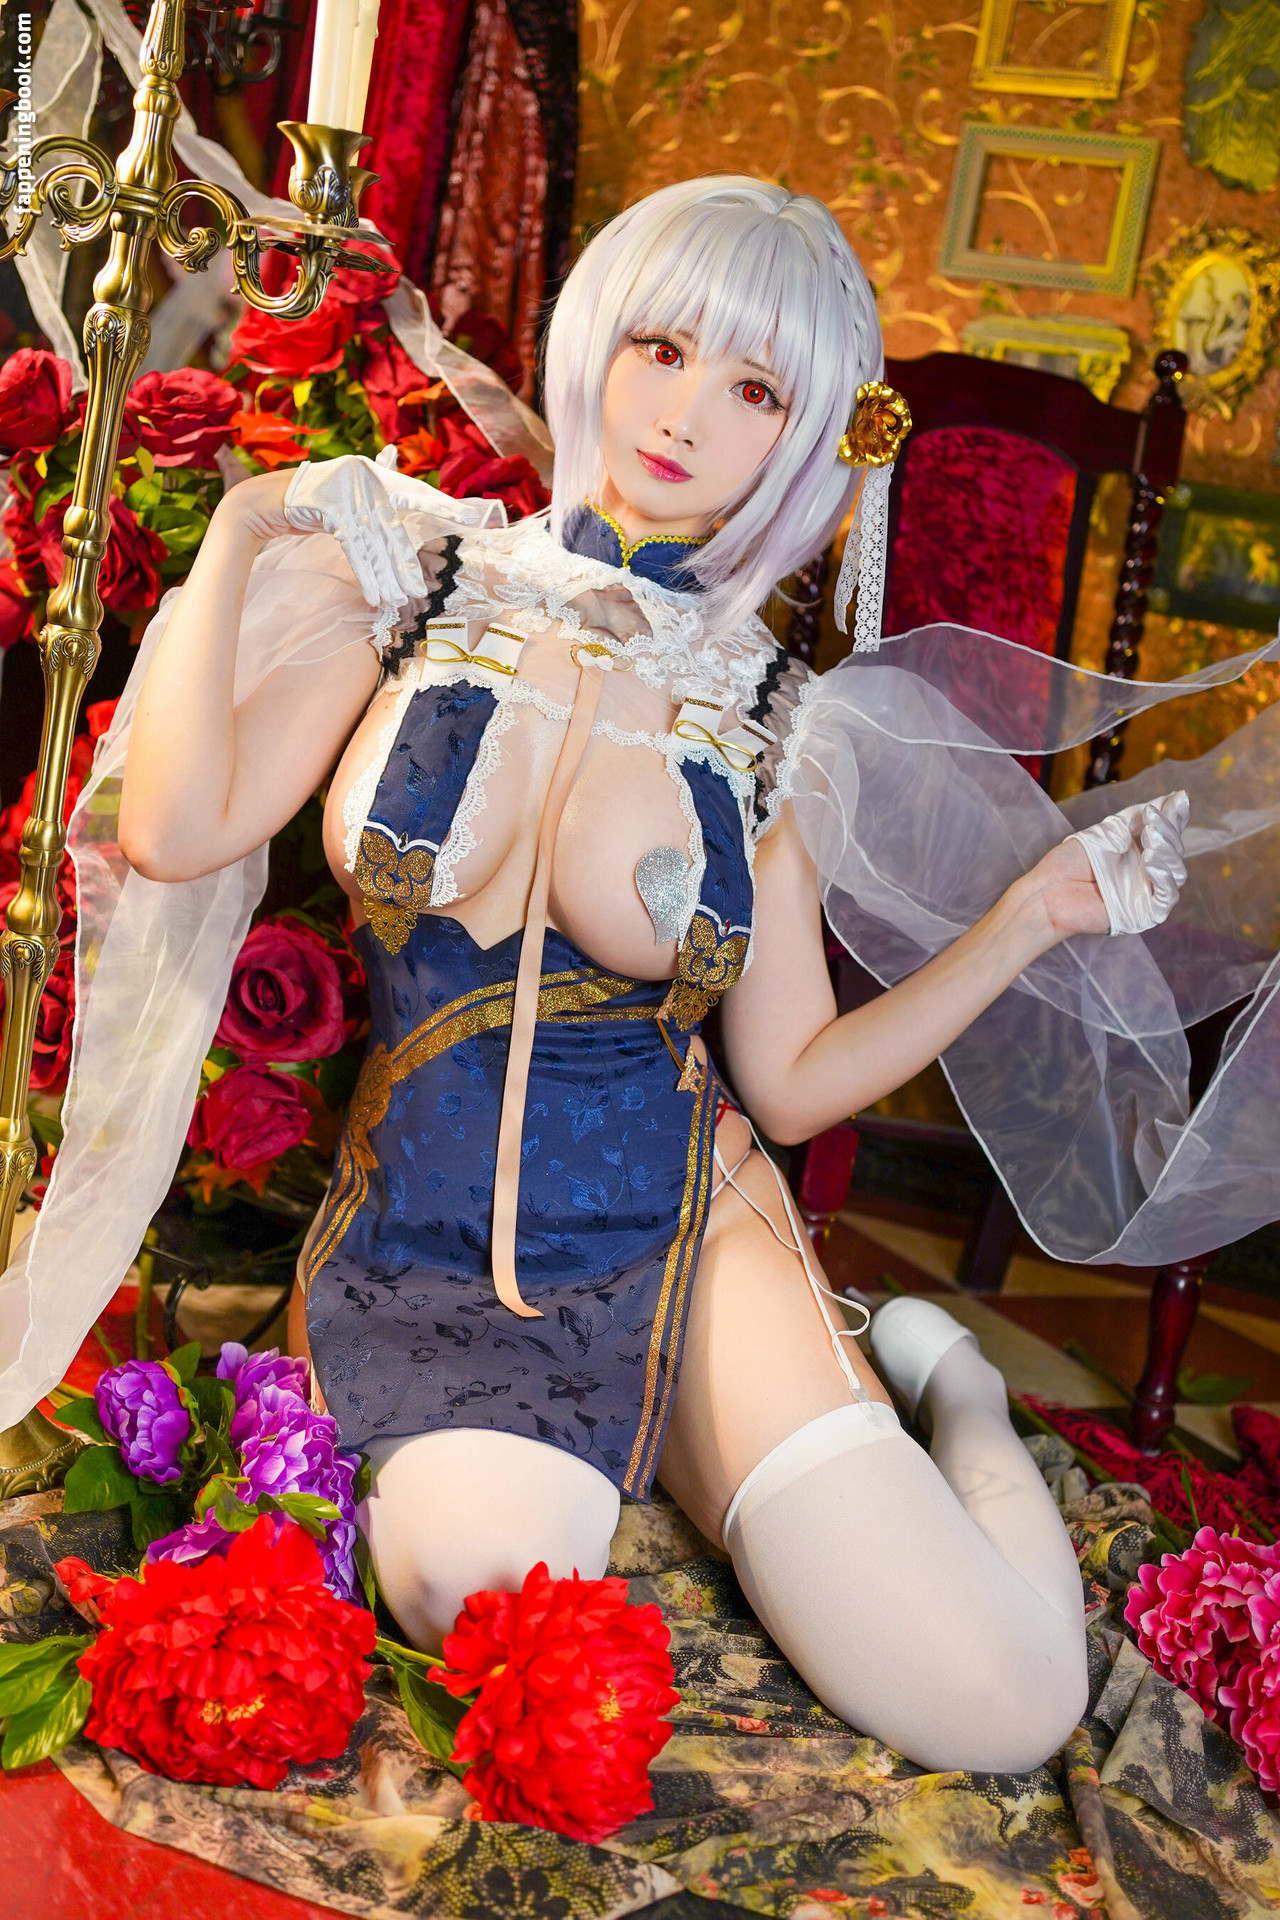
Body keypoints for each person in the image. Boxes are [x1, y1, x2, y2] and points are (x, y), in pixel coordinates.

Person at [11, 178, 1280, 1774]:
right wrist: (251, 528)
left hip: (684, 1220)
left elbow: (794, 1083)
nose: (685, 415)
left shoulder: (783, 716)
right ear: (597, 338)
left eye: (757, 391)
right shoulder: (413, 580)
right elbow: (177, 830)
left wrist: (1030, 914)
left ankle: (941, 1381)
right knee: (478, 1586)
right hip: (420, 1234)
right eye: (662, 349)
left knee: (1004, 1708)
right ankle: (692, 1435)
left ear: (809, 438)